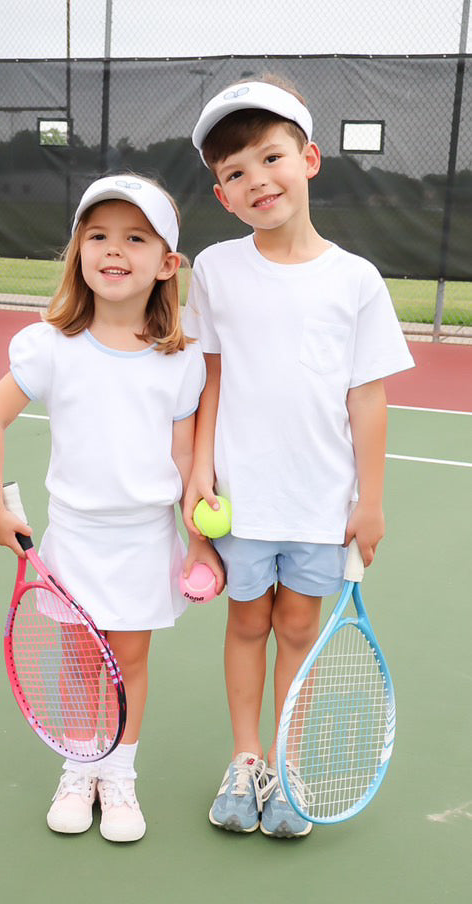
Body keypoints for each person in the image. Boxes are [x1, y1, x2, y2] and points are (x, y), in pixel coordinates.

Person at [182, 76, 414, 838]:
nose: (257, 180)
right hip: (241, 499)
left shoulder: (356, 281)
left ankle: (288, 763)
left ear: (309, 159)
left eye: (270, 157)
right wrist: (197, 473)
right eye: (234, 173)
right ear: (221, 196)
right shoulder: (214, 269)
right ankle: (246, 758)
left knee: (297, 632)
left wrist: (369, 501)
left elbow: (367, 400)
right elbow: (208, 379)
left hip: (320, 502)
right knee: (246, 624)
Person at [0, 174, 222, 843]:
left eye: (136, 238)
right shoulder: (50, 347)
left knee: (130, 660)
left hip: (145, 541)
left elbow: (182, 465)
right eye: (99, 235)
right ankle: (80, 765)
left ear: (167, 263)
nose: (115, 250)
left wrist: (198, 540)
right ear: (79, 251)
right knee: (82, 663)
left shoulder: (181, 362)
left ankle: (120, 776)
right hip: (75, 541)